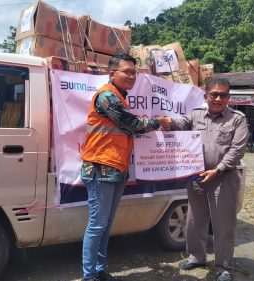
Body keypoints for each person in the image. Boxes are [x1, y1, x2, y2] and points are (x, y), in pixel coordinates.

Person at [80, 53, 171, 281]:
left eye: (134, 72)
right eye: (127, 72)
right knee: (97, 225)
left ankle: (100, 269)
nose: (131, 76)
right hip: (101, 167)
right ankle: (89, 276)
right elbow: (132, 124)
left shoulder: (120, 97)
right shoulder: (107, 97)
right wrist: (159, 121)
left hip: (116, 168)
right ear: (112, 74)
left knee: (106, 224)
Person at [169, 77, 248, 281]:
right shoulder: (196, 115)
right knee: (195, 219)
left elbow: (237, 151)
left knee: (224, 223)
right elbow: (179, 123)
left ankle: (224, 266)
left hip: (224, 177)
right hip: (196, 176)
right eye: (214, 94)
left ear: (228, 97)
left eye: (223, 94)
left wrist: (218, 170)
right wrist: (165, 121)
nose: (218, 98)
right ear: (206, 96)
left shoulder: (237, 119)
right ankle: (196, 257)